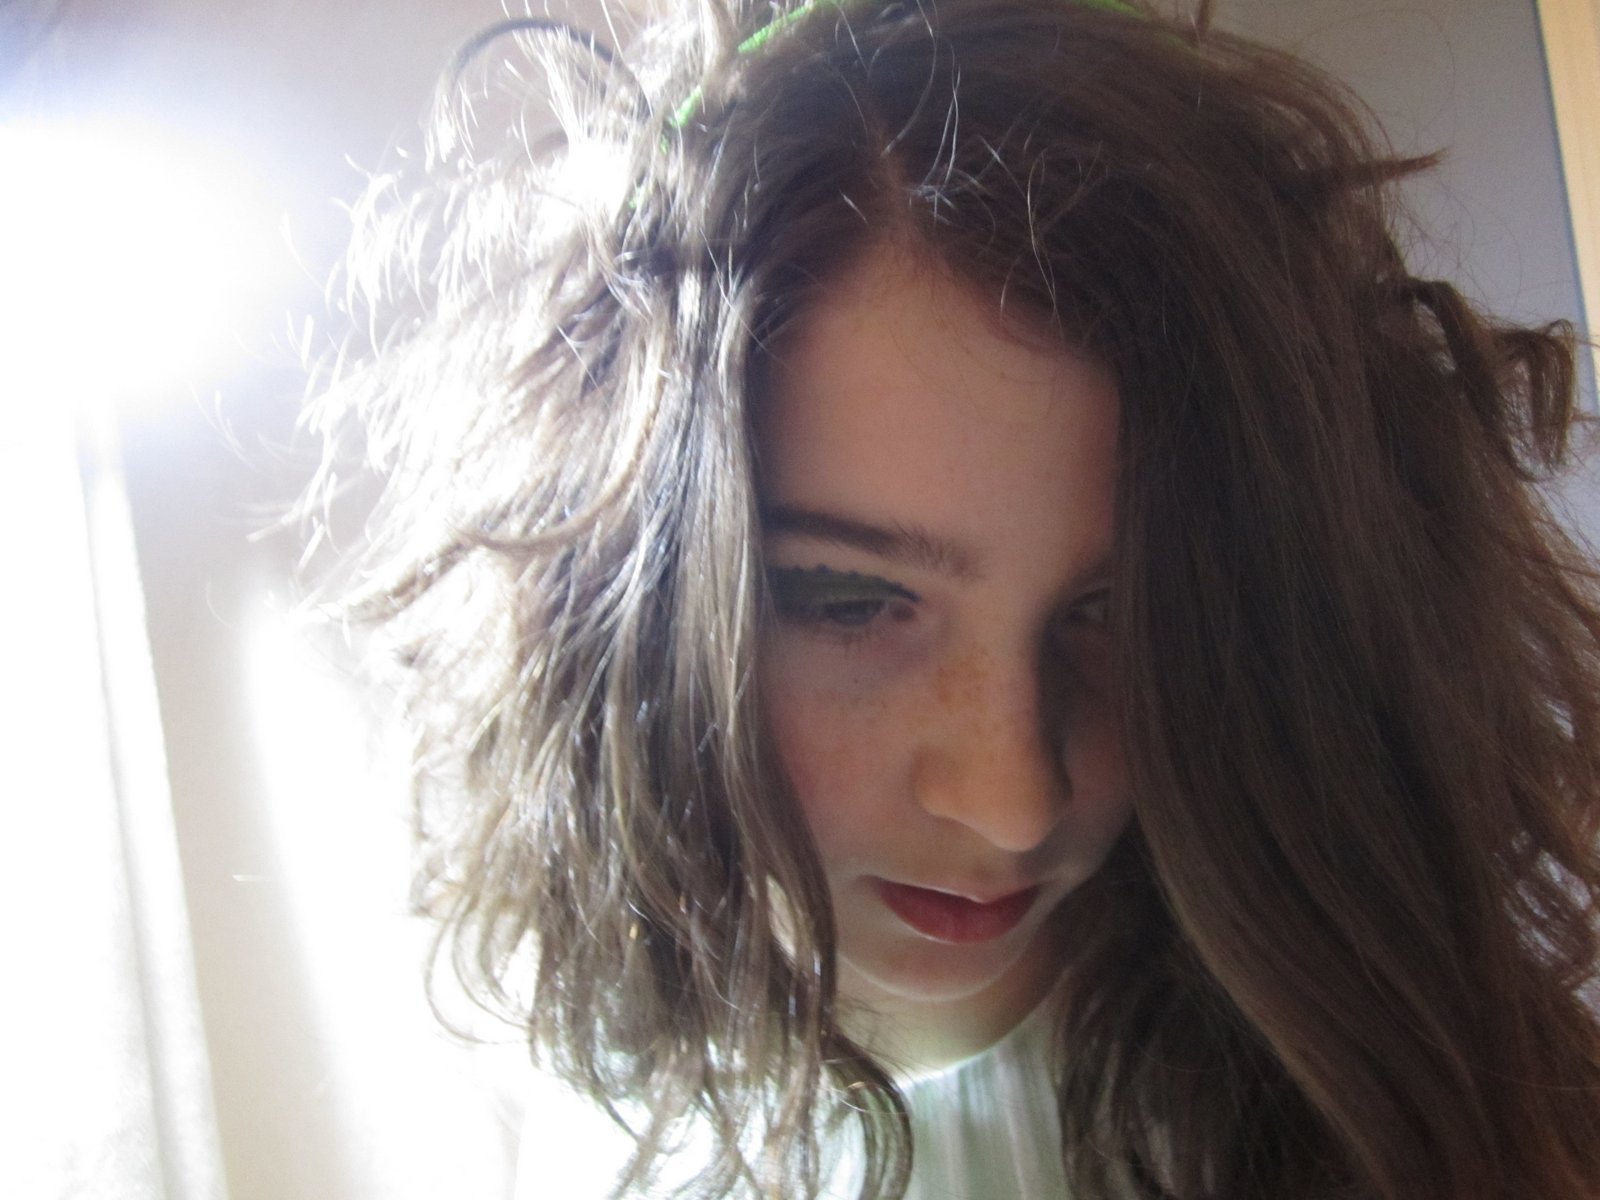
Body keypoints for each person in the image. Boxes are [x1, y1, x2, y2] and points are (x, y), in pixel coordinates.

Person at [306, 0, 1600, 1196]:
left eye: (1124, 611)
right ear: (627, 604)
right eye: (848, 598)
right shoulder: (557, 1102)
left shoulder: (1430, 1094)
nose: (1011, 801)